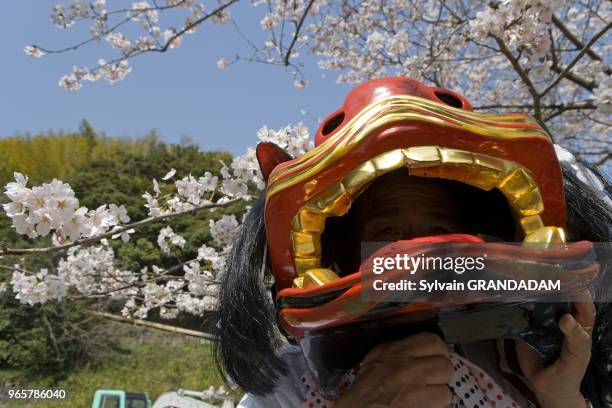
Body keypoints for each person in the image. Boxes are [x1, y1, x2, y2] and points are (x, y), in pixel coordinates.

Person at [214, 77, 612, 407]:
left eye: (439, 231)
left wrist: (560, 396)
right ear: (345, 254)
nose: (420, 253)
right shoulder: (285, 389)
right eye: (387, 232)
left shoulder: (516, 362)